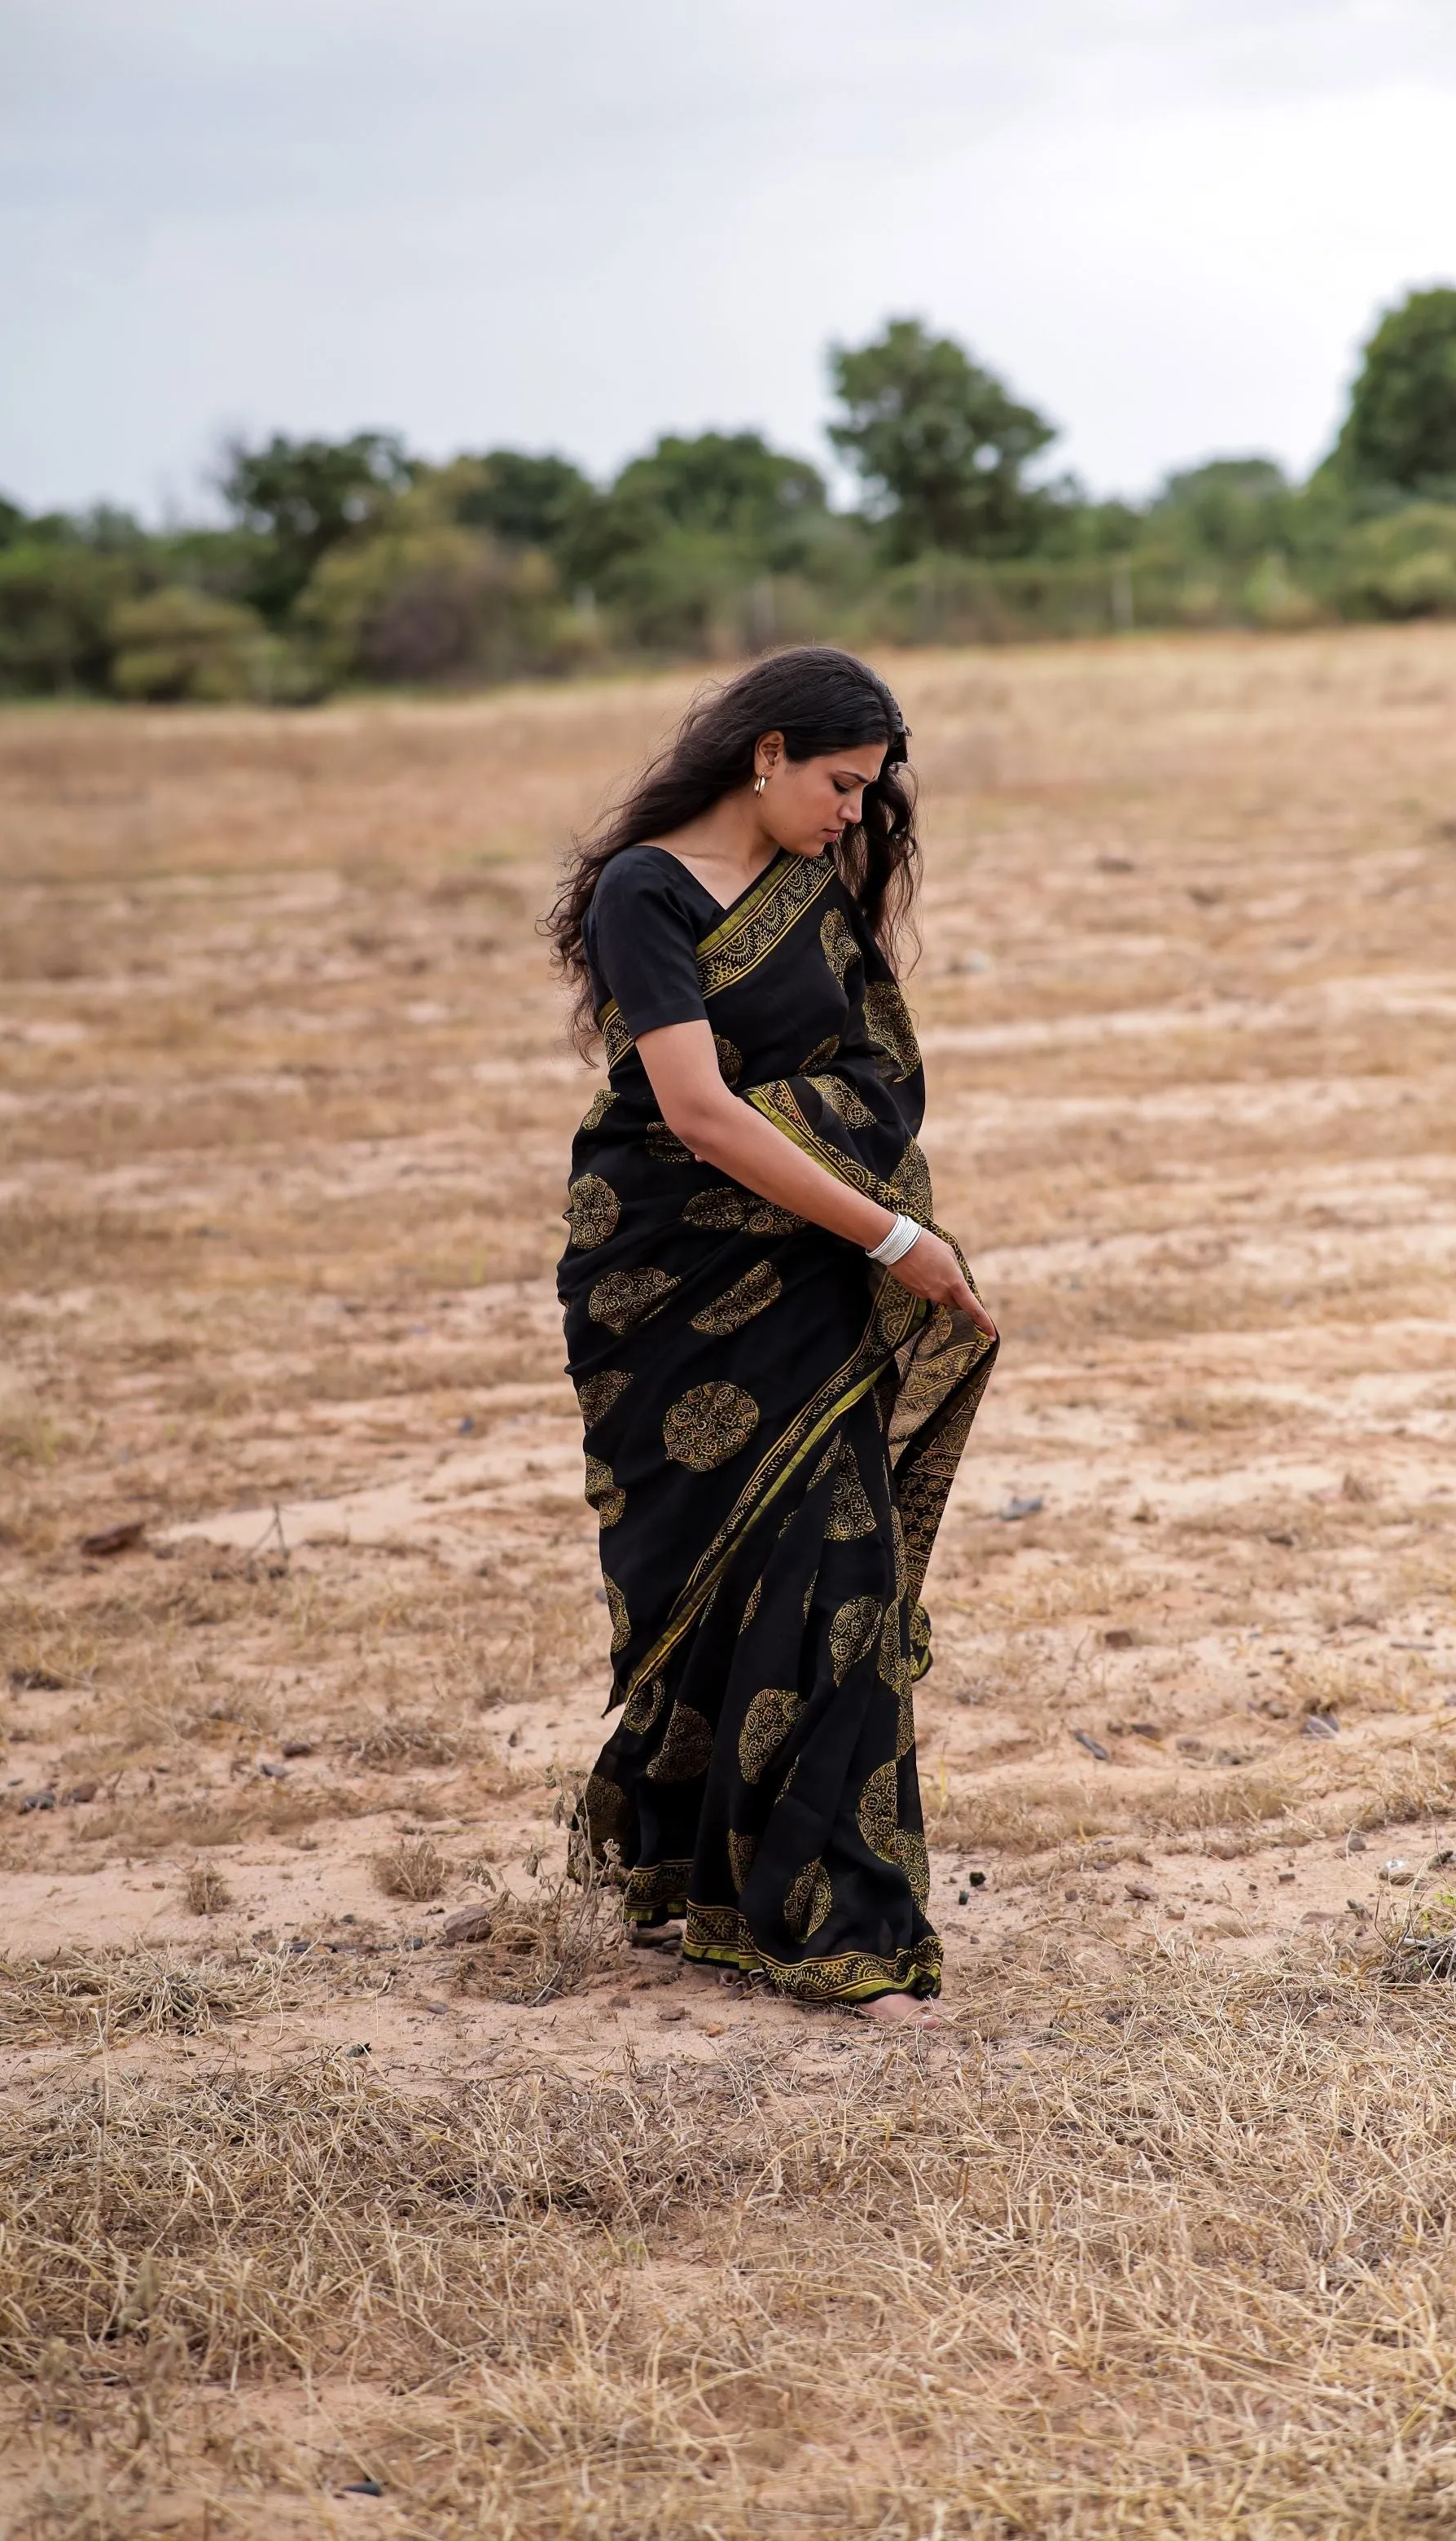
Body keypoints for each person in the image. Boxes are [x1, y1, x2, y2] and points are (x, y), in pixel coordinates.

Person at [546, 647, 997, 2026]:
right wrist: (895, 1239)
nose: (854, 816)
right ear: (767, 752)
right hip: (674, 1277)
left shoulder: (814, 888)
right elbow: (697, 1111)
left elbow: (869, 1074)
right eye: (841, 785)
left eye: (870, 796)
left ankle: (824, 1910)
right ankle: (779, 1915)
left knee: (842, 1582)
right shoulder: (647, 890)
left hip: (812, 1272)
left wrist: (867, 1220)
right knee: (728, 1589)